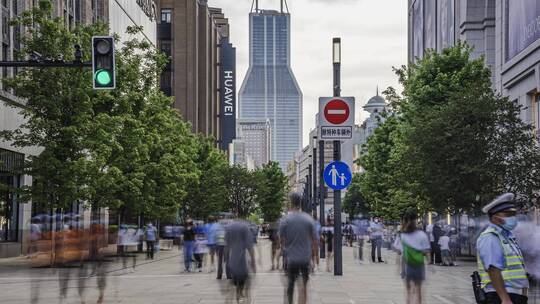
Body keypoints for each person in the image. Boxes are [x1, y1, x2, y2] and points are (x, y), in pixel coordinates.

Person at [476, 193, 529, 304]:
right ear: (495, 218)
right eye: (508, 214)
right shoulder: (490, 237)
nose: (513, 217)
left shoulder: (507, 237)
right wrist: (505, 298)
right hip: (501, 297)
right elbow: (493, 269)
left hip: (514, 296)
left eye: (514, 214)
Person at [279, 192, 317, 304]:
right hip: (305, 258)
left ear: (291, 202)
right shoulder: (308, 219)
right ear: (300, 203)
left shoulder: (285, 220)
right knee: (304, 287)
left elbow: (281, 240)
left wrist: (284, 248)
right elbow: (314, 241)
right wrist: (314, 259)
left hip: (291, 259)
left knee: (290, 287)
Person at [394, 209, 431, 304]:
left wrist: (398, 267)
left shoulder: (401, 235)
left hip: (407, 265)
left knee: (408, 291)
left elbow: (398, 252)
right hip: (419, 264)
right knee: (418, 290)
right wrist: (429, 262)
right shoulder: (422, 234)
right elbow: (426, 251)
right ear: (416, 221)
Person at [225, 217, 256, 303]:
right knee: (243, 281)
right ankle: (240, 295)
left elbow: (226, 246)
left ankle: (236, 294)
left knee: (235, 280)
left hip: (232, 260)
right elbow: (250, 247)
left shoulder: (229, 227)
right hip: (242, 261)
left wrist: (226, 260)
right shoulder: (245, 227)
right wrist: (253, 262)